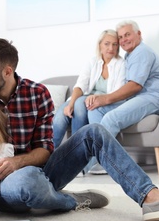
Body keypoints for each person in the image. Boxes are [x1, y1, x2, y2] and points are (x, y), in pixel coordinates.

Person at [0, 38, 159, 221]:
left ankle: (149, 195)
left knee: (94, 132)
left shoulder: (37, 93)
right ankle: (69, 200)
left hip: (39, 170)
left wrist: (17, 161)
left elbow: (45, 150)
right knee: (25, 184)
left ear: (7, 71)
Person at [53, 29, 125, 175]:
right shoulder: (93, 62)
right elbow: (80, 85)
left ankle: (74, 161)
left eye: (114, 44)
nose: (111, 48)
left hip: (103, 103)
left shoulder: (121, 64)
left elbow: (117, 92)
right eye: (107, 44)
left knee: (80, 104)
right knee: (61, 117)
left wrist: (97, 97)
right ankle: (46, 158)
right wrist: (70, 104)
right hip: (82, 100)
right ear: (100, 45)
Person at [86, 20, 159, 139]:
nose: (124, 39)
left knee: (111, 119)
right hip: (135, 98)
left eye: (127, 35)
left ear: (139, 34)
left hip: (151, 98)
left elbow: (135, 86)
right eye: (120, 37)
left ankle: (98, 157)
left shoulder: (142, 52)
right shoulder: (129, 54)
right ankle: (102, 155)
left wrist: (105, 99)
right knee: (95, 110)